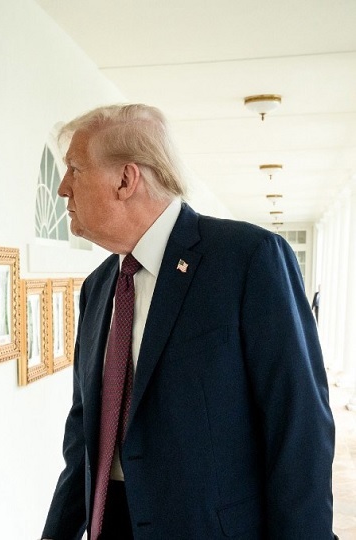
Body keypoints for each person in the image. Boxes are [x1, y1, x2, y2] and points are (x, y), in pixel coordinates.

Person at [42, 104, 333, 539]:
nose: (62, 187)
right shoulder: (97, 288)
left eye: (75, 169)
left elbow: (298, 427)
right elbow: (85, 438)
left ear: (126, 180)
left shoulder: (248, 260)